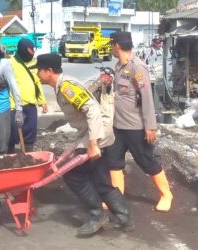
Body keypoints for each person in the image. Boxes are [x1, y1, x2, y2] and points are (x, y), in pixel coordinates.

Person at [33, 53, 132, 237]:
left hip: (96, 133)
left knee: (73, 175)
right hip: (93, 132)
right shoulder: (63, 84)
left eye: (39, 70)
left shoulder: (66, 87)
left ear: (49, 71)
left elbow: (92, 109)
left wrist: (93, 143)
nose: (37, 74)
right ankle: (124, 218)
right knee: (100, 178)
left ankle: (97, 215)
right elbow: (86, 93)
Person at [107, 31, 173, 212]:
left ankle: (166, 194)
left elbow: (147, 98)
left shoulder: (138, 67)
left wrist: (150, 126)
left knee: (146, 160)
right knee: (113, 161)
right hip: (117, 126)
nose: (111, 48)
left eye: (111, 45)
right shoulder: (118, 66)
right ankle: (116, 197)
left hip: (135, 126)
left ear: (117, 46)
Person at [7, 39, 48, 153]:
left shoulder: (34, 63)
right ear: (22, 50)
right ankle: (9, 158)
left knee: (30, 135)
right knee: (11, 134)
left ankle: (28, 157)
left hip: (30, 105)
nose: (32, 52)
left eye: (33, 49)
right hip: (14, 105)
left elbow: (37, 83)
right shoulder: (10, 63)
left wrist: (42, 101)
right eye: (30, 50)